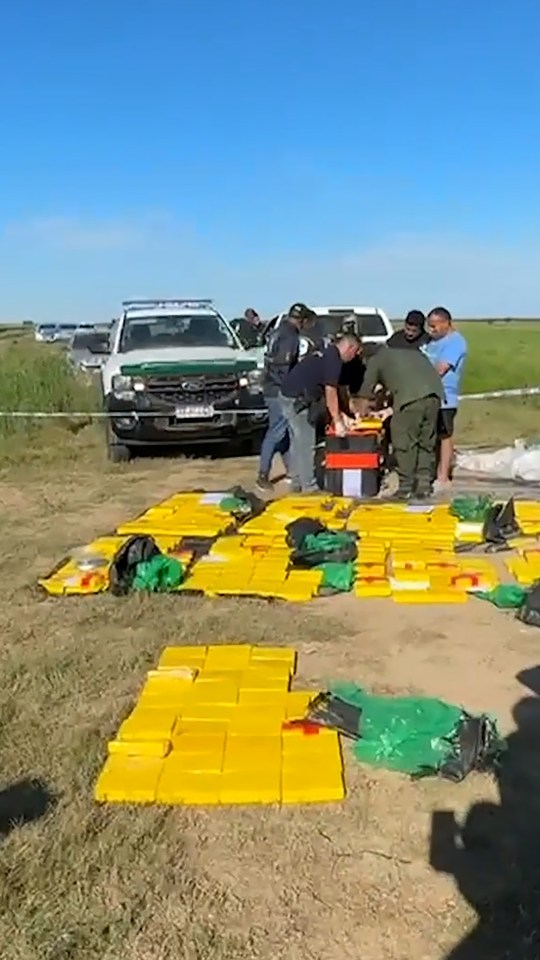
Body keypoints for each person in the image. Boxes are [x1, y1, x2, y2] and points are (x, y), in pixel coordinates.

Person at [355, 347, 444, 499]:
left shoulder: (376, 359)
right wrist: (390, 410)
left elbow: (366, 391)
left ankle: (405, 487)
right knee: (426, 443)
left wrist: (360, 417)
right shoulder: (409, 354)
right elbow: (405, 383)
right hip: (435, 396)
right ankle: (424, 485)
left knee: (404, 443)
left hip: (411, 400)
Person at [279, 334, 361, 493]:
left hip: (287, 394)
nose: (355, 356)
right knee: (305, 443)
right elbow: (330, 392)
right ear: (349, 347)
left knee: (297, 442)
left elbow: (335, 389)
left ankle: (296, 481)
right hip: (298, 400)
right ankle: (309, 486)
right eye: (355, 352)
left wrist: (344, 413)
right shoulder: (334, 360)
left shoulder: (327, 351)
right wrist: (338, 422)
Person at [256, 303, 319, 492]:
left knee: (286, 433)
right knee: (277, 431)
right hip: (278, 390)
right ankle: (263, 475)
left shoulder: (277, 331)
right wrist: (290, 388)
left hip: (270, 386)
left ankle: (293, 472)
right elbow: (283, 366)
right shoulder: (290, 336)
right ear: (301, 320)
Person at [422, 307, 468, 490]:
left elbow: (441, 369)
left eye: (434, 326)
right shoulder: (430, 341)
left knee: (444, 435)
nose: (431, 330)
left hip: (444, 397)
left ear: (446, 323)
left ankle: (443, 476)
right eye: (429, 326)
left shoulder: (456, 342)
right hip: (426, 395)